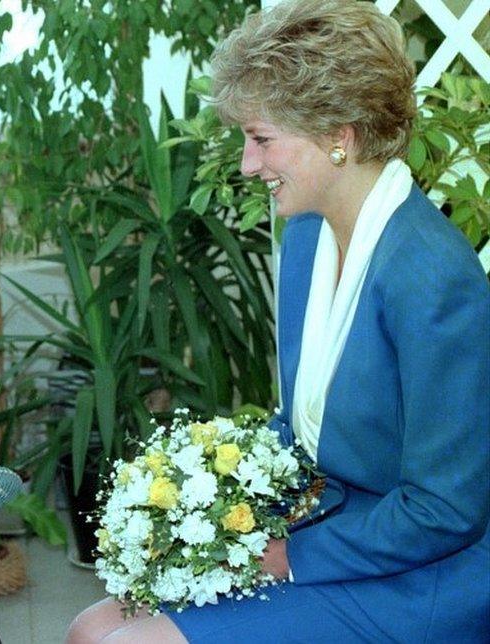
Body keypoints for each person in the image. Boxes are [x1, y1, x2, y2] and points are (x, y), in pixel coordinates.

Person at [67, 0, 490, 641]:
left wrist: (290, 556)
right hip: (327, 528)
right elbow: (306, 426)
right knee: (88, 628)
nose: (246, 164)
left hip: (423, 575)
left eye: (261, 139)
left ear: (339, 136)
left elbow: (445, 509)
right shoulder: (306, 241)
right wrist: (208, 501)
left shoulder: (434, 278)